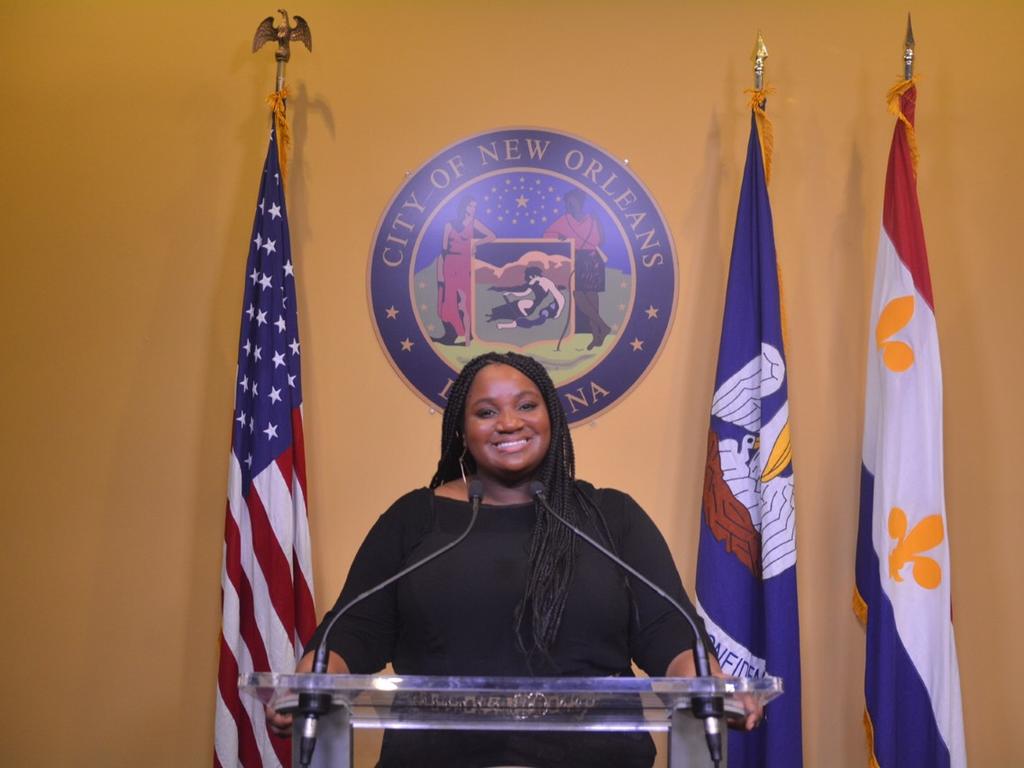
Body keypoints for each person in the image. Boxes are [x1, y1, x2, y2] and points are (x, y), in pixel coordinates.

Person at [268, 352, 760, 767]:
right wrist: (308, 683)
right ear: (462, 428)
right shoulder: (415, 519)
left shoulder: (611, 517)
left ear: (552, 419)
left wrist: (708, 686)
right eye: (486, 412)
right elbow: (354, 630)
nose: (509, 423)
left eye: (527, 405)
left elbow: (668, 632)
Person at [544, 191, 611, 350]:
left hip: (593, 260)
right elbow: (547, 235)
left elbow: (601, 240)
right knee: (578, 295)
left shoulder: (593, 219)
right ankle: (603, 327)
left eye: (571, 202)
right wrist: (559, 238)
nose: (568, 206)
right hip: (577, 259)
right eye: (567, 203)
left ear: (579, 203)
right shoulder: (564, 220)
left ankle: (597, 335)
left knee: (593, 299)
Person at [434, 196, 496, 346]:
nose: (473, 210)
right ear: (464, 207)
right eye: (470, 206)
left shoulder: (474, 223)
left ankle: (468, 338)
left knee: (464, 302)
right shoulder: (449, 225)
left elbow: (492, 236)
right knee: (448, 301)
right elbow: (443, 249)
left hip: (464, 265)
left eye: (475, 207)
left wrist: (476, 244)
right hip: (450, 263)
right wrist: (440, 272)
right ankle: (452, 334)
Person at [486, 265, 566, 329]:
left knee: (520, 311)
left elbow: (559, 297)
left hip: (534, 309)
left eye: (530, 277)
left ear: (534, 275)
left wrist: (558, 312)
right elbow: (524, 292)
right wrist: (511, 293)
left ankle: (501, 319)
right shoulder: (533, 282)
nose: (529, 279)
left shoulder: (547, 282)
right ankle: (496, 316)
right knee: (515, 305)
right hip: (529, 306)